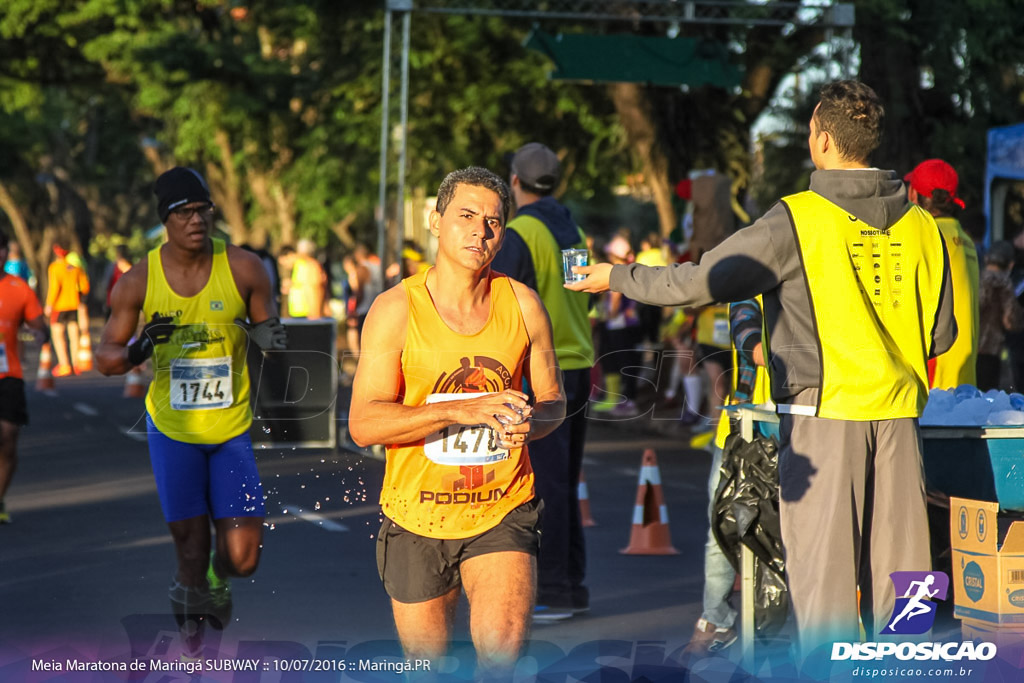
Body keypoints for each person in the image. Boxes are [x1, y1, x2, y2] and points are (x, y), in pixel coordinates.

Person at [568, 80, 957, 654]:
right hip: (900, 418)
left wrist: (615, 277)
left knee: (824, 590)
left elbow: (700, 280)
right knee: (906, 587)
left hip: (823, 419)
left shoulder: (797, 219)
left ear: (822, 139)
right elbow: (940, 334)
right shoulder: (924, 224)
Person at [349, 166, 565, 675]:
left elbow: (554, 400)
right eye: (466, 215)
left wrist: (529, 425)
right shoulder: (396, 309)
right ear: (435, 220)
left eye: (493, 222)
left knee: (500, 661)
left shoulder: (523, 305)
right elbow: (364, 423)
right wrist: (459, 408)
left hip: (502, 509)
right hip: (416, 513)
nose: (480, 231)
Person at [95, 166, 287, 659]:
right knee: (190, 549)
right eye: (185, 212)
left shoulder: (244, 267)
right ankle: (194, 647)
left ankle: (215, 578)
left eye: (203, 210)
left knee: (242, 559)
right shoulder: (138, 281)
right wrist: (141, 349)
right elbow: (106, 358)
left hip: (231, 430)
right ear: (167, 220)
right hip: (174, 430)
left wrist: (269, 338)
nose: (196, 220)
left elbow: (270, 330)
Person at [490, 142, 596, 621]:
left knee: (543, 484)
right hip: (578, 363)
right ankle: (570, 585)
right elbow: (584, 298)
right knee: (564, 481)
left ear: (514, 182)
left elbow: (501, 302)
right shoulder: (571, 230)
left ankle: (551, 590)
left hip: (542, 370)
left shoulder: (519, 233)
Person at [684, 298, 769, 656]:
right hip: (741, 428)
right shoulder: (747, 290)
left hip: (802, 427)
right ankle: (716, 619)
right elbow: (759, 351)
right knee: (720, 526)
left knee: (791, 533)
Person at [905, 158, 979, 389]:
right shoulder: (966, 241)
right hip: (965, 378)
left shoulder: (927, 235)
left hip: (934, 379)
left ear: (915, 194)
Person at [0, 232, 49, 524]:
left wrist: (37, 336)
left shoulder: (19, 289)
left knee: (7, 436)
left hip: (9, 374)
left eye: (2, 249)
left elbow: (38, 327)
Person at [976, 240, 1023, 390]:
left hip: (968, 348)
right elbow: (1011, 321)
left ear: (986, 258)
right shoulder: (1005, 284)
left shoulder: (975, 278)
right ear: (1010, 264)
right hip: (991, 350)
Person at [45, 244, 89, 376]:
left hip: (59, 306)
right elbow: (84, 287)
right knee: (74, 334)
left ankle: (64, 365)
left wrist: (49, 305)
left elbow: (54, 288)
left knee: (58, 335)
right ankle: (75, 364)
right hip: (73, 305)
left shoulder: (55, 267)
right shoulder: (76, 268)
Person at [286, 238, 326, 319]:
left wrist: (315, 312)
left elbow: (314, 289)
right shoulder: (299, 264)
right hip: (298, 312)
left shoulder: (312, 266)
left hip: (308, 313)